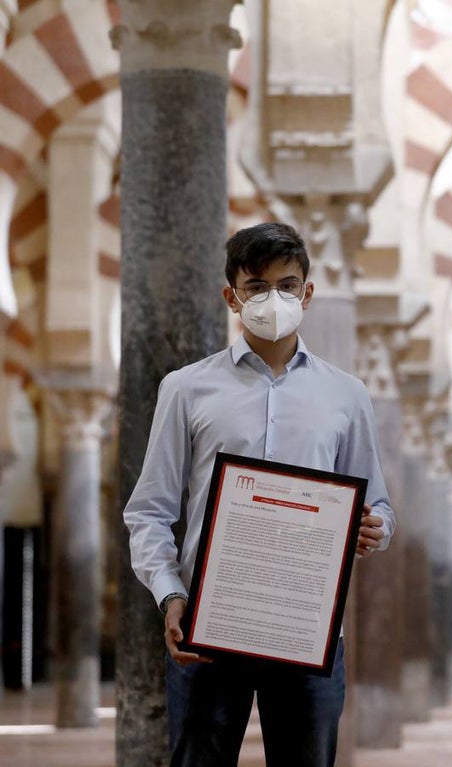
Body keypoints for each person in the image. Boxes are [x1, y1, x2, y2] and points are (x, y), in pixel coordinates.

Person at [122, 222, 397, 767]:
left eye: (287, 285)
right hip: (209, 622)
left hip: (308, 625)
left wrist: (375, 528)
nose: (275, 298)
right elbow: (149, 511)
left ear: (307, 293)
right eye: (257, 286)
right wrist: (171, 594)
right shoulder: (186, 388)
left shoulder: (346, 395)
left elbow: (380, 507)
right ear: (232, 297)